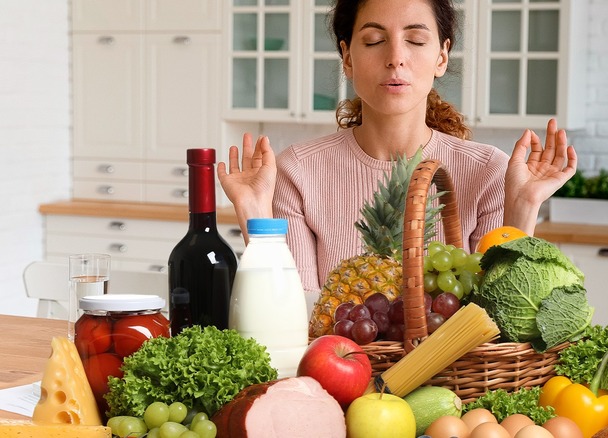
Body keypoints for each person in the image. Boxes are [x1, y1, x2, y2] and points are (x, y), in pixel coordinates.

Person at [217, 0, 577, 309]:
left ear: (441, 56)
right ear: (347, 57)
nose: (395, 59)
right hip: (335, 379)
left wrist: (523, 207)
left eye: (416, 40)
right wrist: (253, 212)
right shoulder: (298, 171)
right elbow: (294, 315)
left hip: (454, 385)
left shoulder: (487, 172)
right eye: (374, 41)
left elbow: (496, 321)